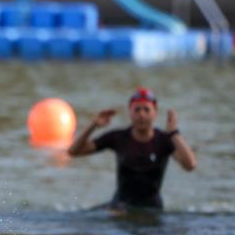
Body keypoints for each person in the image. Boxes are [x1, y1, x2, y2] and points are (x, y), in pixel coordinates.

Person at [67, 87, 197, 210]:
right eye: (137, 110)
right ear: (130, 112)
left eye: (146, 110)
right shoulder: (118, 137)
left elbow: (190, 165)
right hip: (120, 207)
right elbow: (73, 152)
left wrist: (174, 133)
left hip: (152, 210)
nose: (141, 114)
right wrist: (93, 125)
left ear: (155, 113)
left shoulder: (164, 141)